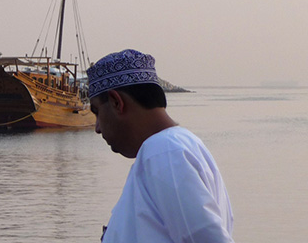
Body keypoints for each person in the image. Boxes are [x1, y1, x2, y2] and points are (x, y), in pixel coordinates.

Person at [87, 49, 233, 242]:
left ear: (116, 102)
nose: (97, 128)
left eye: (97, 112)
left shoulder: (163, 152)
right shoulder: (178, 146)